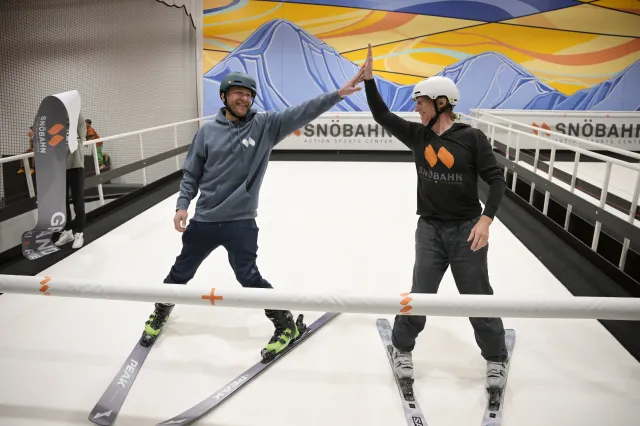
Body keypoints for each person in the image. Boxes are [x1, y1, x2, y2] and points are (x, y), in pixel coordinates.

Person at [140, 69, 366, 360]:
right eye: (238, 93)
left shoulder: (265, 125)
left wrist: (338, 94)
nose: (244, 99)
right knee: (180, 272)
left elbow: (303, 111)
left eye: (248, 94)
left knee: (249, 277)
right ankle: (160, 312)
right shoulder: (208, 132)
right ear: (224, 97)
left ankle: (285, 324)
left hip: (241, 221)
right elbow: (191, 173)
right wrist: (182, 204)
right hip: (205, 219)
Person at [361, 44, 509, 389]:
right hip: (428, 229)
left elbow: (496, 180)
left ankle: (496, 357)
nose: (416, 108)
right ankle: (401, 348)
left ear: (441, 103)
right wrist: (370, 81)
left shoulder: (472, 138)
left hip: (466, 230)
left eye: (421, 102)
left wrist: (486, 220)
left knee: (477, 296)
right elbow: (382, 115)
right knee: (420, 294)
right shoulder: (418, 136)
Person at [55, 113, 87, 250]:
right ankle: (68, 232)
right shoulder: (58, 128)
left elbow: (79, 119)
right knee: (63, 203)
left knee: (77, 201)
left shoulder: (78, 124)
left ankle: (79, 232)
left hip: (76, 167)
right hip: (61, 169)